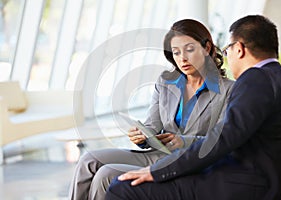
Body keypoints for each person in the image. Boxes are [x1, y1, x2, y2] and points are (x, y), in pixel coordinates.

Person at [105, 15, 281, 200]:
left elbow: (222, 138)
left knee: (121, 188)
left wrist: (159, 171)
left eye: (228, 50)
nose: (228, 57)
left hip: (241, 184)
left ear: (239, 49)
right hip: (256, 180)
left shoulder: (255, 80)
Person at [68, 19, 234, 200]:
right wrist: (141, 136)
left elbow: (223, 140)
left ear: (207, 48)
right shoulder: (166, 82)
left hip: (190, 161)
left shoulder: (228, 90)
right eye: (176, 52)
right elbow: (152, 125)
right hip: (157, 154)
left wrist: (183, 141)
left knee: (106, 174)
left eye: (189, 49)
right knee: (88, 161)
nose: (182, 59)